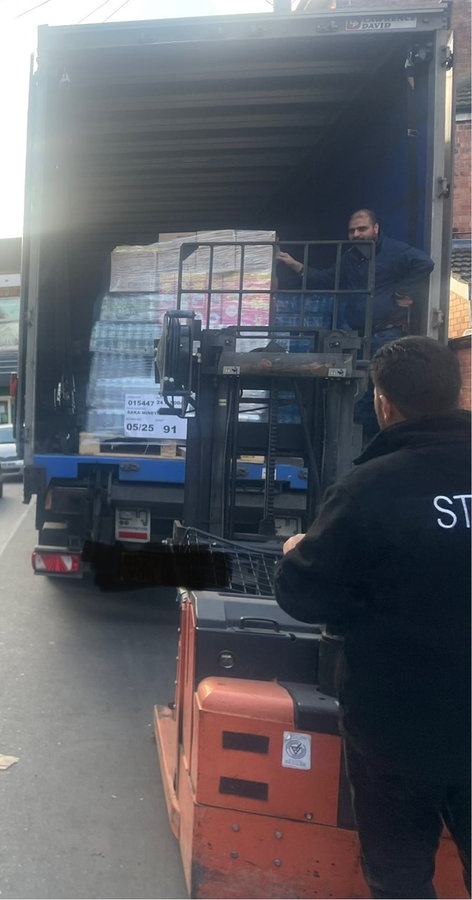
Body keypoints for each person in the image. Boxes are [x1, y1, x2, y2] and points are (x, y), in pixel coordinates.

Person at [273, 336, 470, 899]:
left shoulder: (369, 490)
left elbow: (309, 598)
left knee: (401, 881)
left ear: (384, 402)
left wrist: (296, 554)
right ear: (456, 393)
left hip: (400, 730)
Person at [276, 209, 435, 444]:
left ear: (376, 229)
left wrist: (403, 291)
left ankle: (378, 446)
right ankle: (363, 446)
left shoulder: (395, 251)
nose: (357, 234)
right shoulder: (351, 258)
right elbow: (326, 279)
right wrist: (294, 264)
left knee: (379, 393)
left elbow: (425, 263)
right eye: (352, 231)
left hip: (386, 334)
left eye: (362, 229)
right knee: (358, 395)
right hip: (360, 336)